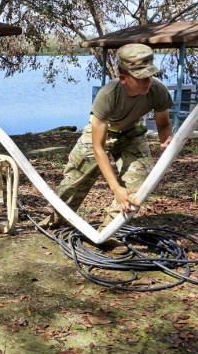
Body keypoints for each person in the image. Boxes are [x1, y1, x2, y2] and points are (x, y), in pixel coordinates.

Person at [46, 44, 173, 251]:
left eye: (150, 75)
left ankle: (107, 232)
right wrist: (115, 188)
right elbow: (98, 147)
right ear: (124, 78)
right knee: (73, 182)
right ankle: (57, 220)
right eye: (141, 77)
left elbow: (164, 124)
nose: (148, 81)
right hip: (100, 136)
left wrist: (166, 140)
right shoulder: (108, 95)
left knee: (141, 180)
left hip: (131, 133)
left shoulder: (156, 90)